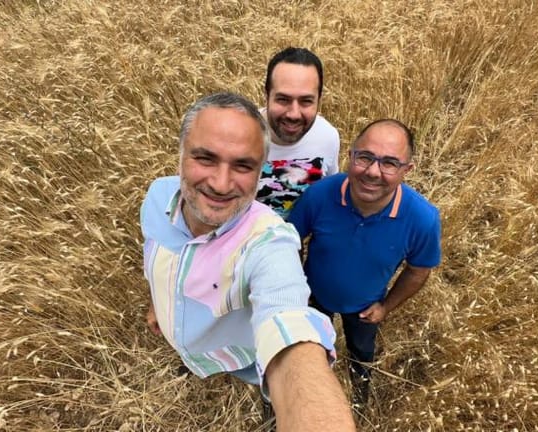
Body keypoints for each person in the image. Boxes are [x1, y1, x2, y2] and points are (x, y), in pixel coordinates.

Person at [141, 92, 356, 431]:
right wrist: (157, 300)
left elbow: (288, 322)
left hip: (241, 363)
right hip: (187, 348)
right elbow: (158, 252)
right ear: (180, 155)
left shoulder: (269, 241)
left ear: (261, 172)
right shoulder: (157, 196)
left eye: (243, 166)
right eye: (205, 158)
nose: (220, 184)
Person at [288, 119, 442, 412]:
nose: (372, 172)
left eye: (389, 163)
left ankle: (360, 399)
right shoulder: (319, 195)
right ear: (350, 155)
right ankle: (315, 397)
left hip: (365, 309)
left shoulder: (423, 219)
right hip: (314, 297)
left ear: (407, 170)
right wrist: (298, 287)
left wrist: (386, 307)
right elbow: (291, 240)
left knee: (361, 353)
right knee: (312, 351)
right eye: (365, 157)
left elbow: (419, 270)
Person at [256, 47, 341, 219]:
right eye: (283, 99)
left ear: (319, 100)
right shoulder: (242, 135)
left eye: (306, 101)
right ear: (267, 95)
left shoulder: (327, 137)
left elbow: (329, 195)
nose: (293, 114)